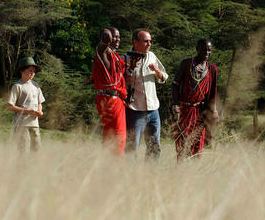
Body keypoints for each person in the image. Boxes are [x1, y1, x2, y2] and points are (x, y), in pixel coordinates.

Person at [124, 29, 168, 161]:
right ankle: (129, 178)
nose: (149, 44)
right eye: (145, 41)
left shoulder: (152, 56)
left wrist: (157, 71)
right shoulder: (125, 58)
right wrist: (131, 69)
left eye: (150, 41)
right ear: (135, 42)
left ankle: (150, 177)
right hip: (135, 110)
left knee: (154, 146)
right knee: (132, 147)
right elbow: (121, 82)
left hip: (153, 110)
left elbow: (164, 77)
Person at [172, 38, 219, 160]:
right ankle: (180, 171)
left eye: (209, 51)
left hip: (200, 112)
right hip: (184, 110)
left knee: (198, 145)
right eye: (204, 50)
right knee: (182, 144)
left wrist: (214, 112)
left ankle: (193, 174)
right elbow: (175, 85)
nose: (207, 53)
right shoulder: (186, 64)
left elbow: (213, 94)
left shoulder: (212, 69)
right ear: (197, 49)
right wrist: (175, 106)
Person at [92, 28, 127, 157]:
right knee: (116, 136)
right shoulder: (104, 53)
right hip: (109, 100)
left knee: (115, 136)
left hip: (116, 100)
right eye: (114, 37)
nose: (117, 39)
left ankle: (108, 166)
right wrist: (105, 39)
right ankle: (113, 166)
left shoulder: (116, 57)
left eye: (118, 37)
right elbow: (101, 48)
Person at [7, 57, 45, 152]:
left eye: (34, 71)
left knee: (36, 151)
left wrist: (40, 111)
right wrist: (28, 111)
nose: (33, 73)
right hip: (21, 125)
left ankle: (34, 167)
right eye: (30, 71)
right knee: (23, 153)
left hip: (34, 124)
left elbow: (40, 102)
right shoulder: (17, 86)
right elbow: (9, 106)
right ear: (22, 71)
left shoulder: (36, 85)